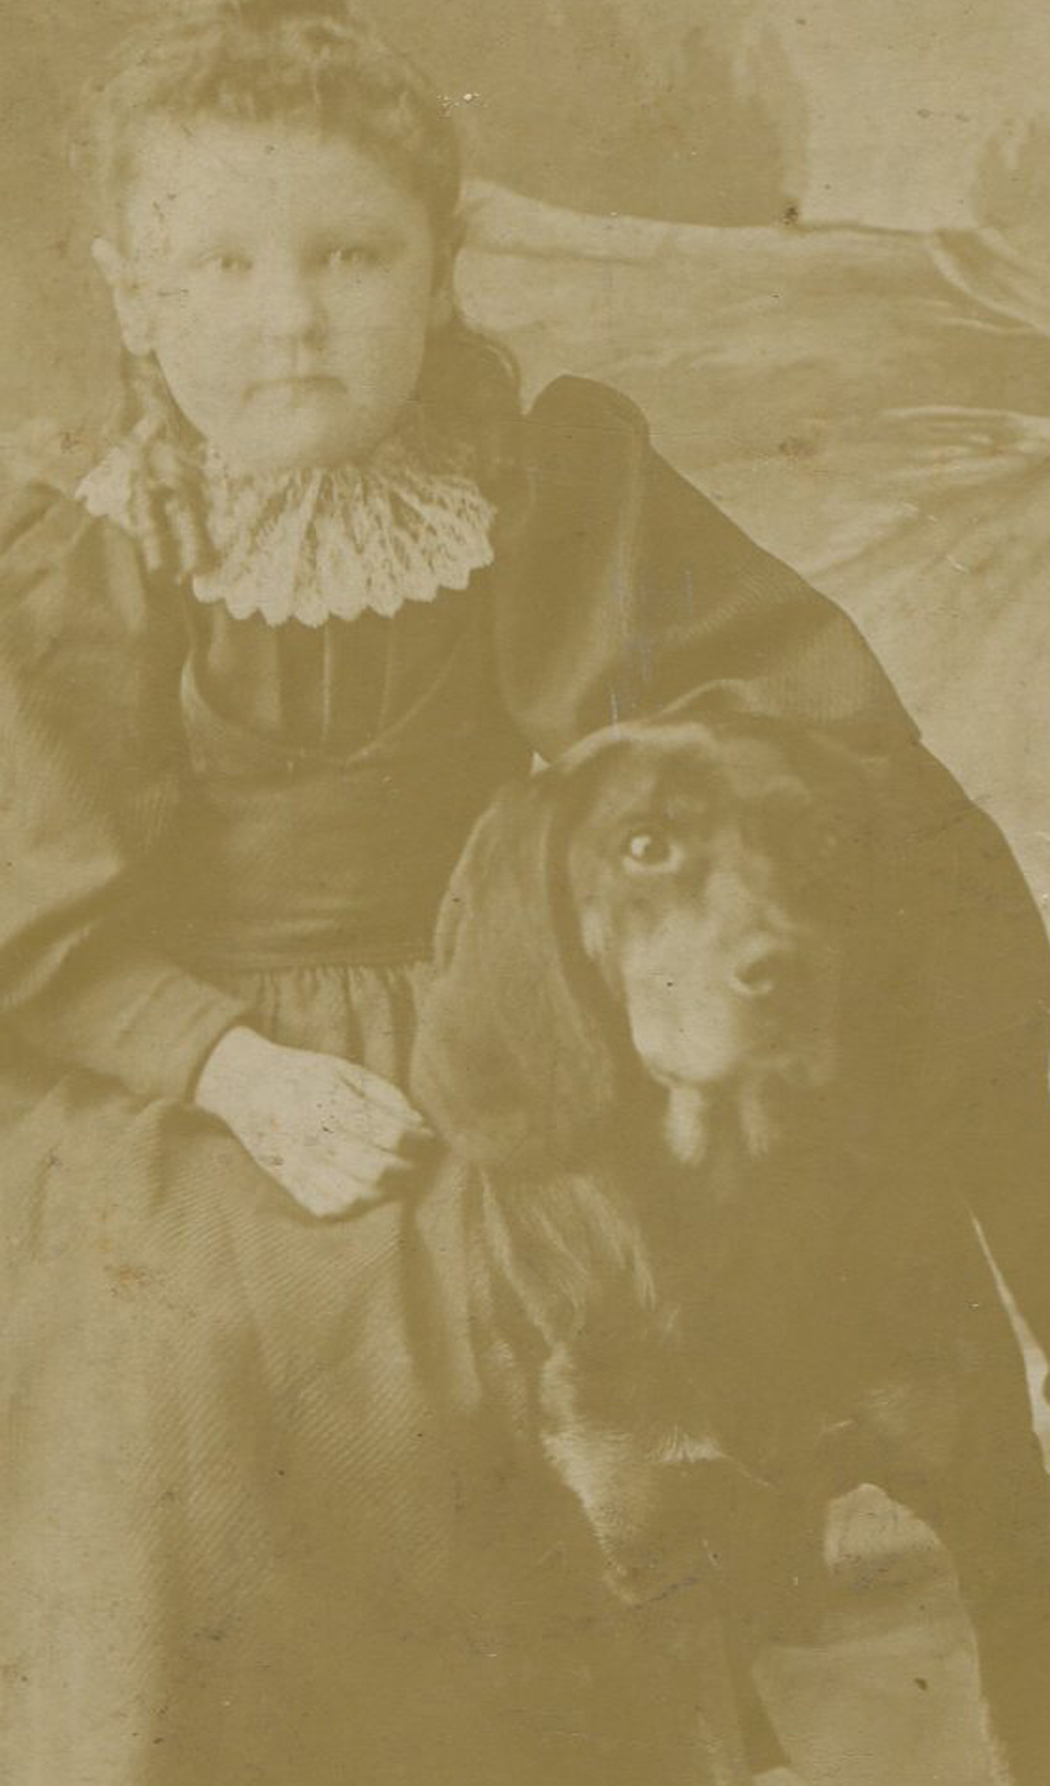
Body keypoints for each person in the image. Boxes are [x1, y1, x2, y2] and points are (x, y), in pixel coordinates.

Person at [1, 3, 1048, 1783]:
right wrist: (230, 1068)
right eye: (223, 264)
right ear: (132, 293)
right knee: (220, 1338)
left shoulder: (547, 489)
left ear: (440, 268)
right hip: (198, 1075)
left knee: (689, 1236)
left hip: (524, 1011)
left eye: (351, 255)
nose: (291, 316)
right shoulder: (91, 561)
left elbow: (840, 767)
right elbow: (32, 917)